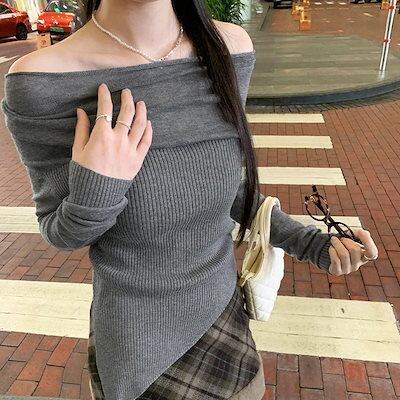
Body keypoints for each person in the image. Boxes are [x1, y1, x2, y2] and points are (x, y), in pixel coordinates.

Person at [1, 0, 378, 399]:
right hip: (136, 346)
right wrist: (101, 184)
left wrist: (311, 243)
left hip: (224, 320)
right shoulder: (42, 80)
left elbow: (223, 187)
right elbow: (61, 232)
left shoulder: (228, 49)